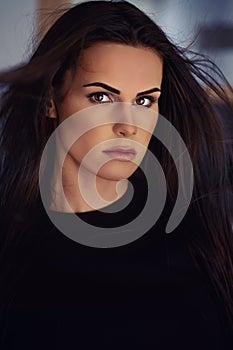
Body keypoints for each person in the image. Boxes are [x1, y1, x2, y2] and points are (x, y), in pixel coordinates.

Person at [0, 0, 232, 348]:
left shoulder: (194, 232)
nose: (128, 126)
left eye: (144, 101)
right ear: (51, 100)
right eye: (101, 97)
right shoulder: (12, 244)